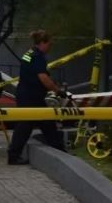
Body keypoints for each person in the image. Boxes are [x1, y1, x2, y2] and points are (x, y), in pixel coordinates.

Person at [7, 30, 67, 165]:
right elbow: (43, 78)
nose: (50, 47)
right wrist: (57, 91)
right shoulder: (37, 57)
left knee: (47, 124)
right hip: (31, 97)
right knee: (25, 127)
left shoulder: (29, 53)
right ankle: (13, 156)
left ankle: (59, 149)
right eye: (49, 44)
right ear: (42, 43)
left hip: (29, 95)